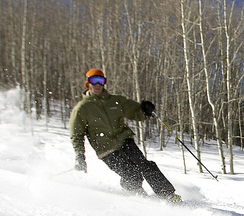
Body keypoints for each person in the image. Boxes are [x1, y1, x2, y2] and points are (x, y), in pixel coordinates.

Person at [69, 68, 182, 203]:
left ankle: (169, 196)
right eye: (94, 81)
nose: (98, 84)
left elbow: (134, 111)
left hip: (124, 140)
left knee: (145, 165)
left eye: (101, 81)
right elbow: (76, 134)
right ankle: (135, 193)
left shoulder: (115, 101)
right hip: (106, 150)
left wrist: (144, 110)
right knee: (131, 173)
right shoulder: (82, 108)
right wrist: (79, 155)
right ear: (87, 84)